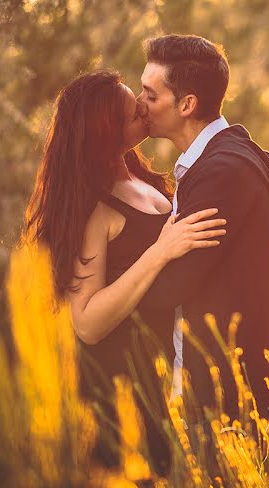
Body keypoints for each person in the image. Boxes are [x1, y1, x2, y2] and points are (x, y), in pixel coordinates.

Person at [24, 70, 227, 475]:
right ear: (105, 132)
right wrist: (159, 252)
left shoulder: (145, 180)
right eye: (130, 109)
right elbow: (87, 323)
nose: (141, 105)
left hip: (160, 382)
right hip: (114, 396)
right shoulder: (92, 209)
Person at [136, 34, 269, 439]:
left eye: (150, 95)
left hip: (225, 410)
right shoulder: (215, 163)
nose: (140, 103)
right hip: (216, 403)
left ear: (186, 105)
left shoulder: (223, 172)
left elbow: (169, 286)